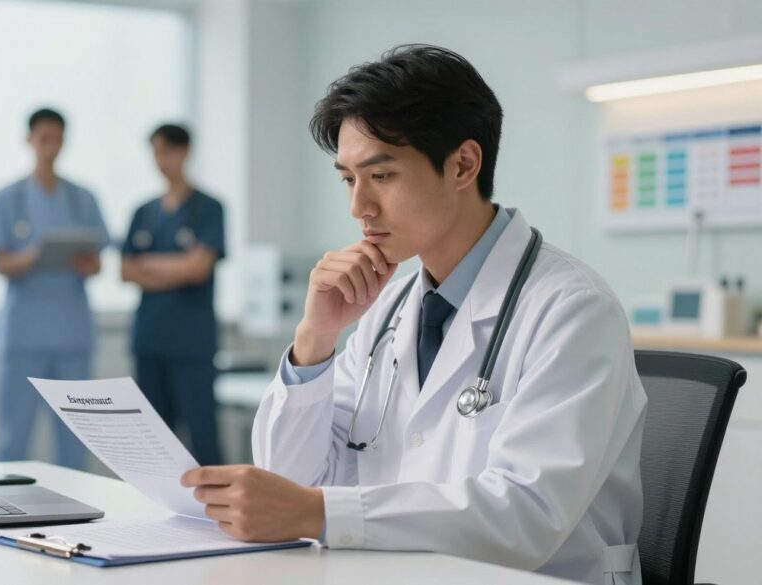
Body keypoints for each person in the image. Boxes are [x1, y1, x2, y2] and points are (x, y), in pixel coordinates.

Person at [180, 45, 646, 585]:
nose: (359, 207)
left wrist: (323, 513)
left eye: (381, 176)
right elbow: (291, 484)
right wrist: (316, 337)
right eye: (348, 179)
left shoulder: (572, 310)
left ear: (463, 165)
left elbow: (527, 515)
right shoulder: (389, 311)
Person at [0, 108, 109, 469]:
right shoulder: (8, 198)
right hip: (23, 337)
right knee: (13, 438)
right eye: (43, 139)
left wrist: (83, 262)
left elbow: (98, 262)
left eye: (57, 139)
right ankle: (4, 512)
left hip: (71, 335)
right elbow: (1, 264)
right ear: (29, 140)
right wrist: (35, 255)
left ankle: (77, 519)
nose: (50, 147)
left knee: (74, 441)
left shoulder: (83, 198)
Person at [121, 124, 225, 466]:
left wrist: (149, 265)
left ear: (184, 152)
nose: (160, 159)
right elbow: (125, 271)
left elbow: (198, 269)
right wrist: (178, 267)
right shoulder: (143, 212)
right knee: (153, 443)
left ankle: (216, 517)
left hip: (191, 343)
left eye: (166, 150)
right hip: (150, 340)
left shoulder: (208, 208)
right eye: (155, 151)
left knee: (202, 439)